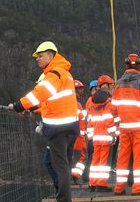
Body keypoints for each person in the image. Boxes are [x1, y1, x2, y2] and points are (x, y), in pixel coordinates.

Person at [8, 41, 79, 202]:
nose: (37, 59)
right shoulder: (64, 73)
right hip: (69, 125)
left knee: (60, 166)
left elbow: (40, 93)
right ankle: (63, 197)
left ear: (51, 55)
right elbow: (50, 100)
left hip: (58, 127)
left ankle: (63, 199)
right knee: (64, 165)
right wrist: (32, 108)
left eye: (40, 56)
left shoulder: (54, 74)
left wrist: (19, 106)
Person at [111, 53, 140, 196]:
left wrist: (119, 124)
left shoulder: (118, 84)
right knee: (138, 159)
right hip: (139, 128)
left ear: (126, 66)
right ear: (139, 66)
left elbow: (113, 109)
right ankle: (137, 189)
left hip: (124, 127)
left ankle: (119, 188)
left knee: (122, 157)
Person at [87, 75, 115, 192]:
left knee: (95, 160)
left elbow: (90, 120)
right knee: (104, 160)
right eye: (112, 85)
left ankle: (92, 183)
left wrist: (90, 135)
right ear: (107, 85)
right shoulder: (108, 101)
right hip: (105, 135)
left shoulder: (92, 101)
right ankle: (101, 184)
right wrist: (113, 135)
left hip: (96, 136)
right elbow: (109, 119)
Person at [70, 80, 88, 184]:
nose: (82, 90)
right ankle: (74, 177)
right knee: (81, 157)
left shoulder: (76, 104)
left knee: (75, 157)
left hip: (77, 135)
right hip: (78, 136)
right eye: (80, 88)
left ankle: (73, 177)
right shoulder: (76, 104)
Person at [82, 80, 98, 184]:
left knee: (92, 157)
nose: (96, 92)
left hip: (93, 133)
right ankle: (88, 177)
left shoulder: (91, 100)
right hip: (92, 134)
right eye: (94, 90)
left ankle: (88, 177)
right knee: (92, 157)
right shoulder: (91, 101)